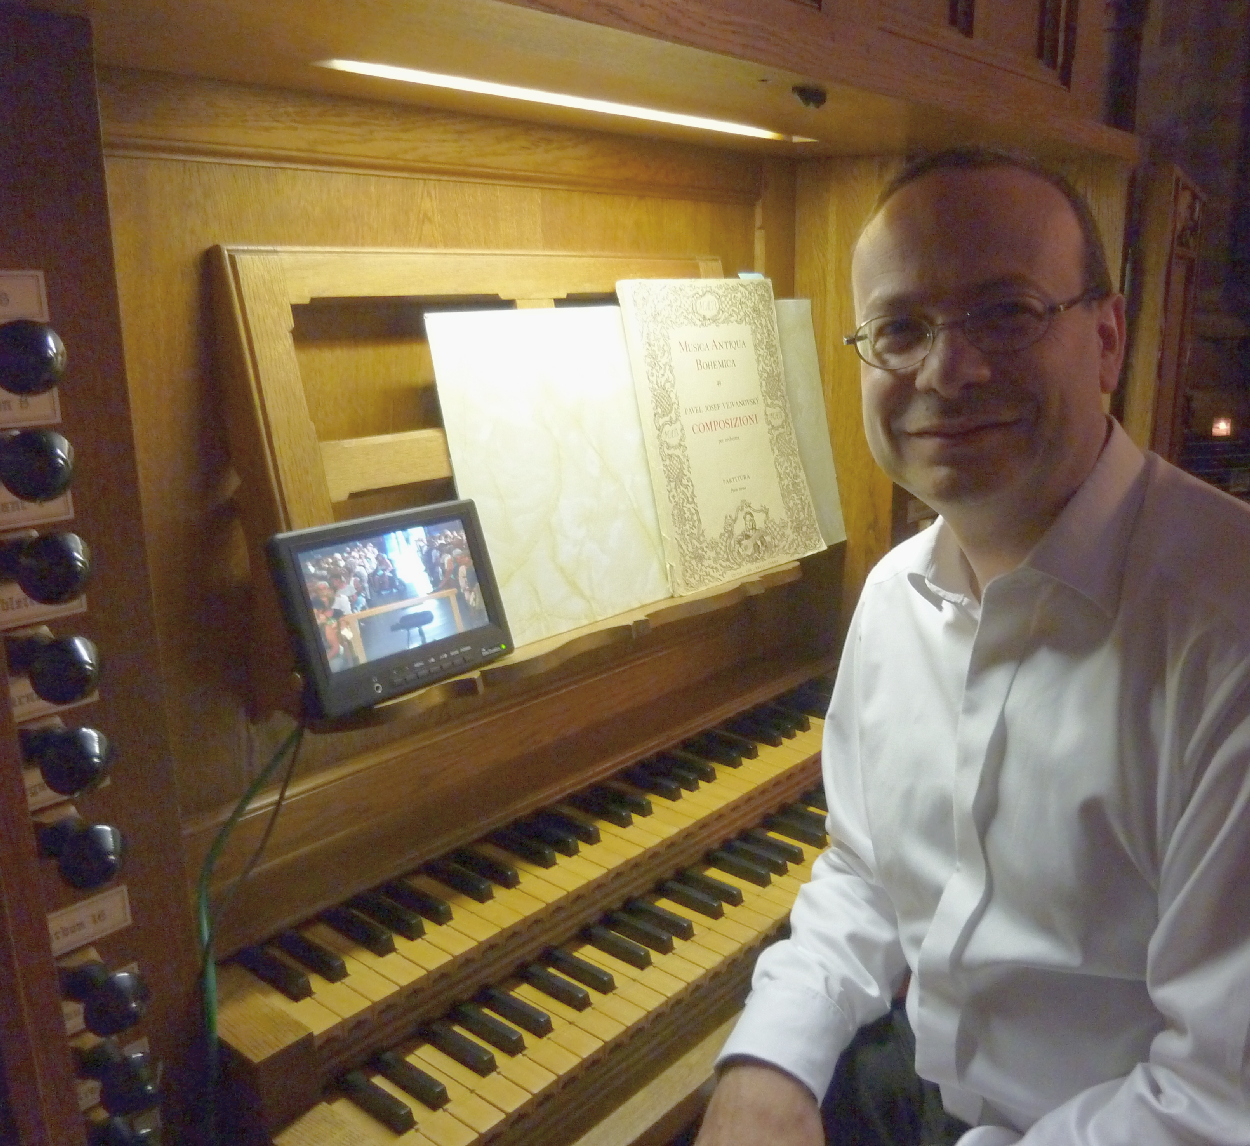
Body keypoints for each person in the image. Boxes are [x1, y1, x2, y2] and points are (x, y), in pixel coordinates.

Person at [696, 147, 1250, 1146]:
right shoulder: (892, 593)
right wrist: (770, 1055)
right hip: (911, 1082)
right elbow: (867, 870)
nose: (945, 372)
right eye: (899, 328)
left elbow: (1219, 1098)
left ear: (1106, 339)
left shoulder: (1225, 634)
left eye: (1004, 312)